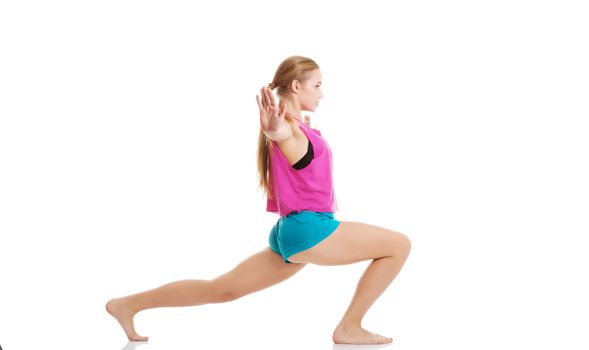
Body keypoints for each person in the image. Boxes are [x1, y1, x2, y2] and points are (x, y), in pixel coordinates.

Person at [106, 55, 411, 345]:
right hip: (310, 229)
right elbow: (284, 136)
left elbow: (286, 136)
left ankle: (128, 304)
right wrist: (276, 131)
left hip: (288, 232)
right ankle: (349, 326)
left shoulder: (298, 126)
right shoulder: (290, 128)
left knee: (222, 289)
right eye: (317, 85)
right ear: (296, 86)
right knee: (398, 245)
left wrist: (278, 130)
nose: (322, 93)